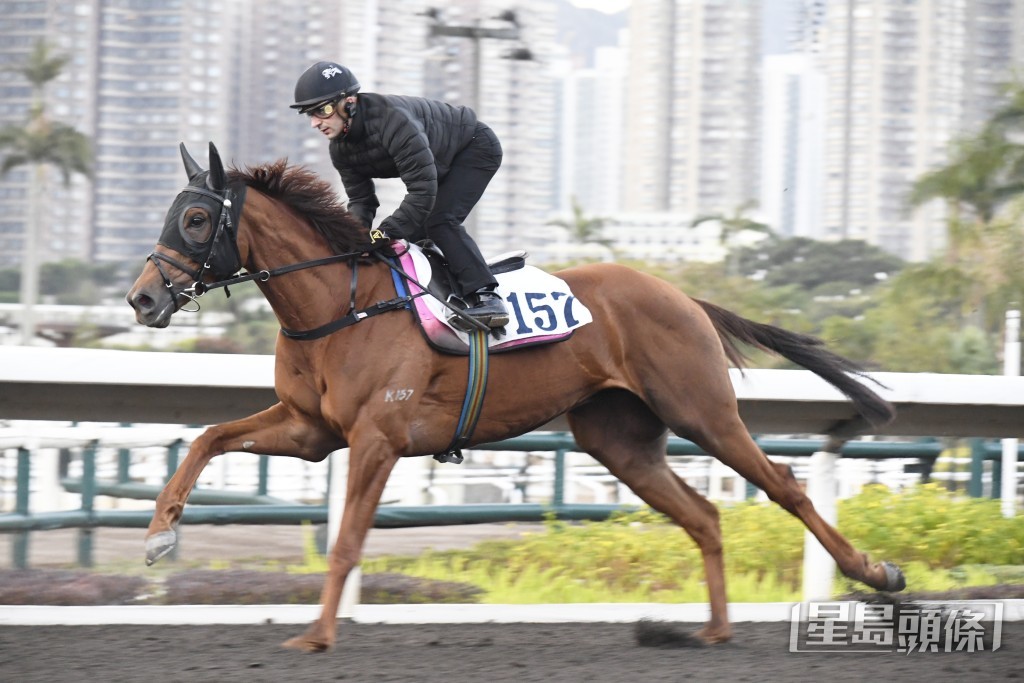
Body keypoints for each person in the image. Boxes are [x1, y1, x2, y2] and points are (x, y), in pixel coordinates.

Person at [290, 60, 509, 329]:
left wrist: (383, 232)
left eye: (321, 110)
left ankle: (487, 296)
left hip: (474, 147)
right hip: (438, 160)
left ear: (349, 102)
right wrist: (352, 241)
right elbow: (362, 202)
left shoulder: (392, 122)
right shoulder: (340, 149)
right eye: (308, 114)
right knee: (413, 238)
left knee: (439, 221)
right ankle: (446, 296)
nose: (315, 123)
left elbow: (422, 191)